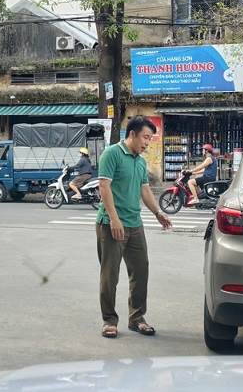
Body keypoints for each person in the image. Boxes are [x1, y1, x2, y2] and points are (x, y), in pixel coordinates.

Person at [95, 116, 173, 339]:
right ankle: (109, 320)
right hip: (111, 224)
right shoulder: (112, 154)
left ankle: (137, 318)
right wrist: (114, 219)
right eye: (146, 137)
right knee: (110, 275)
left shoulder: (140, 161)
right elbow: (104, 186)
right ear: (132, 134)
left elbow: (145, 190)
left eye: (150, 138)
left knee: (140, 271)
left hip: (135, 224)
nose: (147, 143)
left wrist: (158, 213)